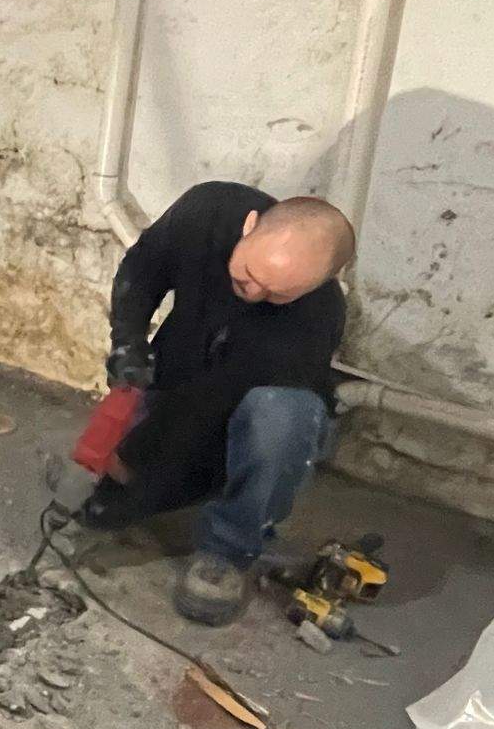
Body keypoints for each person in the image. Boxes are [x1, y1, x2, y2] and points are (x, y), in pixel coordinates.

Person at [79, 182, 353, 626]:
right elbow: (145, 266)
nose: (254, 292)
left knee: (283, 422)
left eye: (276, 293)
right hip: (183, 368)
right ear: (249, 226)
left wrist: (141, 474)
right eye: (248, 273)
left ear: (316, 286)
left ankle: (230, 546)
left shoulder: (314, 320)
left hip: (248, 403)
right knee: (118, 493)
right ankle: (165, 482)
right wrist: (128, 341)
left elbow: (209, 404)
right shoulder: (208, 211)